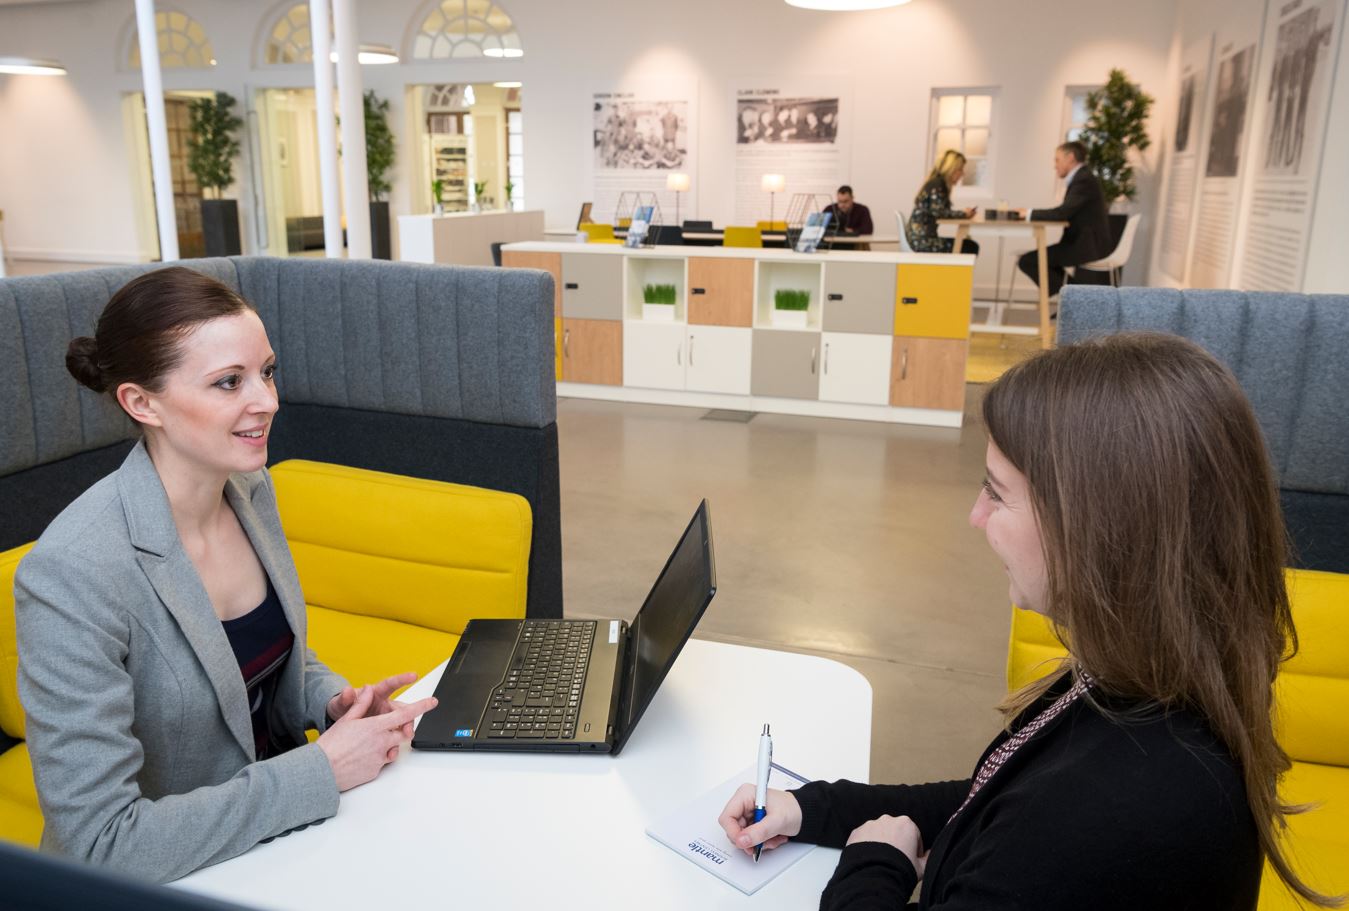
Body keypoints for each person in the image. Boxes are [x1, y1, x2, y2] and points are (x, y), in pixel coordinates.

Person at [719, 332, 1340, 910]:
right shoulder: (1137, 683)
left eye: (995, 492)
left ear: (1097, 527)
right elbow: (989, 800)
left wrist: (873, 864)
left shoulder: (1117, 810)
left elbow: (1022, 823)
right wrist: (813, 808)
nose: (975, 516)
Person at [15, 267, 439, 884]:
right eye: (227, 382)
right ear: (141, 402)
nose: (265, 400)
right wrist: (321, 770)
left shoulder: (247, 487)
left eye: (266, 372)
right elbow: (100, 845)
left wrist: (331, 698)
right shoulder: (71, 574)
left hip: (285, 840)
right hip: (179, 876)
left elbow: (245, 663)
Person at [1015, 141, 1112, 297]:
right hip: (1082, 242)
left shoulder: (1083, 180)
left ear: (1070, 157)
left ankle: (1078, 300)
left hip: (1086, 246)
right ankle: (1077, 299)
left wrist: (1028, 213)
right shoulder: (1082, 177)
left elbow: (1062, 213)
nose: (1055, 165)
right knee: (1039, 261)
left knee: (1028, 261)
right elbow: (1066, 212)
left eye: (1057, 159)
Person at [906, 149, 979, 255]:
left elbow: (939, 212)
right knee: (970, 247)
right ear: (952, 169)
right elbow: (940, 213)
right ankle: (955, 272)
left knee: (968, 245)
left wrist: (963, 214)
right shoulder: (937, 184)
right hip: (922, 242)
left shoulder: (935, 183)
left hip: (919, 240)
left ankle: (955, 272)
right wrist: (964, 214)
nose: (963, 174)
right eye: (961, 169)